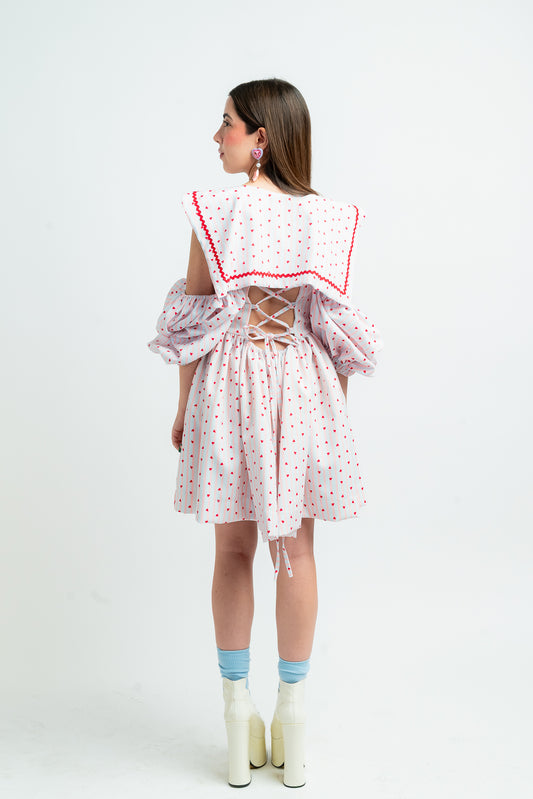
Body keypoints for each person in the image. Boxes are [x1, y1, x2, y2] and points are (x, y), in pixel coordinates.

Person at [147, 78, 384, 788]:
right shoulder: (328, 218)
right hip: (304, 388)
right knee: (296, 551)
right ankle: (292, 716)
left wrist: (184, 410)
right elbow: (334, 331)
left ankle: (235, 713)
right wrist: (330, 420)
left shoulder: (214, 211)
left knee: (232, 551)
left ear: (261, 138)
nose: (216, 135)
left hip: (230, 382)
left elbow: (191, 324)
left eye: (226, 122)